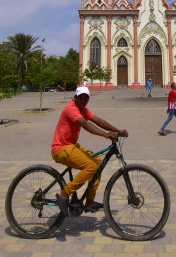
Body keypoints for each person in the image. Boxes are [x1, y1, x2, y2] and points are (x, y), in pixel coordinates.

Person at [51, 86, 128, 216]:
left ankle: (89, 202)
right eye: (81, 97)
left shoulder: (83, 109)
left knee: (97, 164)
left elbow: (99, 121)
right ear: (75, 97)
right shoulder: (71, 108)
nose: (83, 100)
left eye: (86, 98)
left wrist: (117, 131)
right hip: (61, 148)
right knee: (91, 166)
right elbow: (85, 124)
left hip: (71, 146)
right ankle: (64, 193)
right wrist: (105, 134)